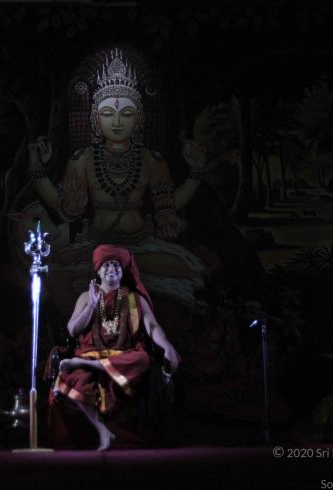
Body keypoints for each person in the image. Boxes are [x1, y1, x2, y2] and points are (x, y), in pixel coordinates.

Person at [28, 47, 208, 309]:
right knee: (57, 267)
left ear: (139, 119)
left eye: (126, 114)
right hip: (95, 242)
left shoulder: (151, 159)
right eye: (107, 114)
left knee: (185, 267)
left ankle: (119, 261)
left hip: (141, 243)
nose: (117, 122)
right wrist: (38, 168)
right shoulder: (82, 159)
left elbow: (168, 205)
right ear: (95, 119)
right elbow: (64, 207)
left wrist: (195, 174)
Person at [54, 244, 180, 450]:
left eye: (116, 265)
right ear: (98, 270)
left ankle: (91, 366)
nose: (111, 268)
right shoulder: (86, 296)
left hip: (124, 356)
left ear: (122, 270)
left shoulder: (133, 299)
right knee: (76, 379)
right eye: (106, 265)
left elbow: (151, 326)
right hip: (90, 354)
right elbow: (73, 329)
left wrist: (166, 345)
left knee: (143, 358)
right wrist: (92, 305)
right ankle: (102, 430)